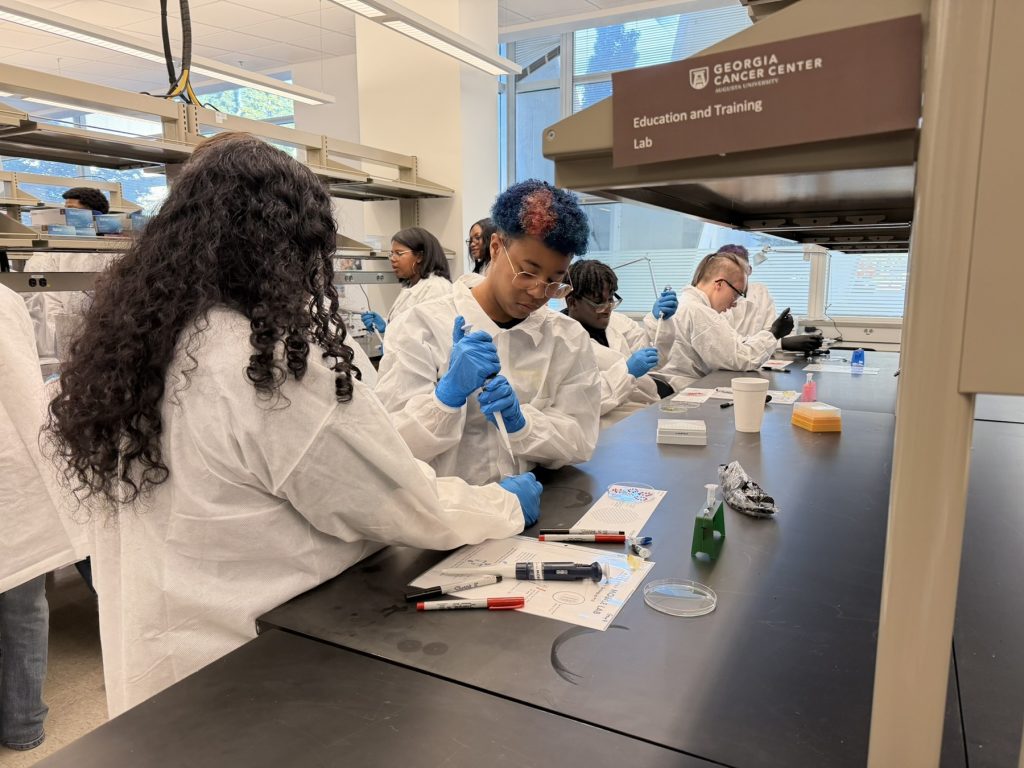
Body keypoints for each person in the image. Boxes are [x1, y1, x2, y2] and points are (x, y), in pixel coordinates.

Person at [45, 132, 542, 716]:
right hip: (253, 673)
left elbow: (336, 455)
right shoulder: (267, 363)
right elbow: (393, 500)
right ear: (287, 249)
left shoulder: (138, 347)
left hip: (157, 666)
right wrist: (504, 505)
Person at [375, 179, 601, 485]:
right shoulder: (421, 326)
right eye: (528, 272)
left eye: (554, 280)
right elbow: (389, 446)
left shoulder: (566, 339)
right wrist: (445, 399)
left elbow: (580, 439)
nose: (538, 291)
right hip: (449, 519)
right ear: (496, 248)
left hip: (535, 508)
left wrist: (522, 424)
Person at [1, 284, 80, 751]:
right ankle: (23, 726)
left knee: (21, 609)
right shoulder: (7, 303)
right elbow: (28, 391)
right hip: (14, 476)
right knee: (23, 610)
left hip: (13, 481)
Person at [649, 251, 794, 391]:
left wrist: (771, 335)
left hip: (677, 386)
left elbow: (734, 344)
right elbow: (741, 359)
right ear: (719, 284)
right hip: (680, 390)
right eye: (736, 294)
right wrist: (774, 333)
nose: (735, 303)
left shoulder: (690, 304)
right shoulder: (699, 311)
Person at [563, 259, 676, 426]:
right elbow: (581, 402)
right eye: (599, 302)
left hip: (646, 410)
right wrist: (626, 372)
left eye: (610, 299)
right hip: (608, 423)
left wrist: (660, 321)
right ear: (572, 302)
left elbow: (654, 360)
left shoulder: (618, 322)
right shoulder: (562, 339)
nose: (608, 308)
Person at [717, 244, 822, 353]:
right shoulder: (717, 299)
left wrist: (781, 336)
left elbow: (770, 333)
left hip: (756, 358)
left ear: (749, 270)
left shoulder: (760, 291)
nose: (733, 276)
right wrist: (783, 343)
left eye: (738, 269)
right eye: (727, 270)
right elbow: (729, 344)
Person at [360, 227, 452, 335]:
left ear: (419, 256)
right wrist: (386, 325)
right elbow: (409, 326)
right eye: (392, 254)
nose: (392, 259)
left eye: (399, 253)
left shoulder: (436, 287)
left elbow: (435, 338)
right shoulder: (410, 286)